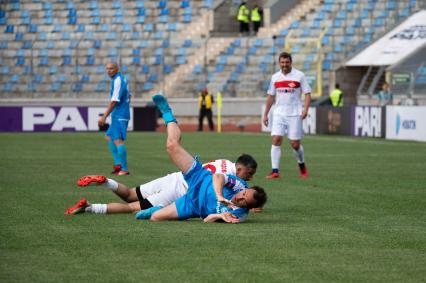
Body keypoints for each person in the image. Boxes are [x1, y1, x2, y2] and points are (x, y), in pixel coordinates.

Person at [151, 94, 267, 223]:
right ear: (245, 189)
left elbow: (206, 220)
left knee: (155, 217)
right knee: (172, 146)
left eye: (244, 201)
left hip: (193, 205)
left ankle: (159, 208)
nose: (240, 198)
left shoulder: (239, 214)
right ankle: (167, 113)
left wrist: (219, 216)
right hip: (199, 177)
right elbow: (218, 176)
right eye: (244, 194)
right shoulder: (239, 185)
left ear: (248, 208)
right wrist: (219, 196)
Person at [64, 155, 260, 217]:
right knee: (132, 207)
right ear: (241, 168)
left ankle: (106, 181)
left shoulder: (224, 161)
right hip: (183, 191)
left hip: (176, 177)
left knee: (131, 193)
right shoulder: (233, 178)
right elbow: (228, 194)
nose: (249, 179)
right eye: (249, 174)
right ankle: (89, 207)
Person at [263, 52, 312, 179]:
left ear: (291, 62)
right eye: (282, 62)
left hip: (295, 114)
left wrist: (305, 109)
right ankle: (275, 171)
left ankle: (301, 164)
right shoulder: (275, 77)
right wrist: (266, 114)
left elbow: (307, 93)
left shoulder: (299, 76)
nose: (284, 65)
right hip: (279, 113)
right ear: (279, 63)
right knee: (276, 140)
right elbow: (270, 96)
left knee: (295, 144)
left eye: (287, 62)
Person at [98, 62, 131, 175]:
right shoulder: (120, 79)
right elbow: (128, 95)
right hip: (119, 114)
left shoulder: (118, 80)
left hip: (120, 115)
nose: (109, 70)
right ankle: (118, 164)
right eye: (107, 68)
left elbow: (114, 101)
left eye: (111, 68)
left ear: (117, 69)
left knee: (117, 140)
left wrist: (104, 116)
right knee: (109, 137)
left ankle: (124, 169)